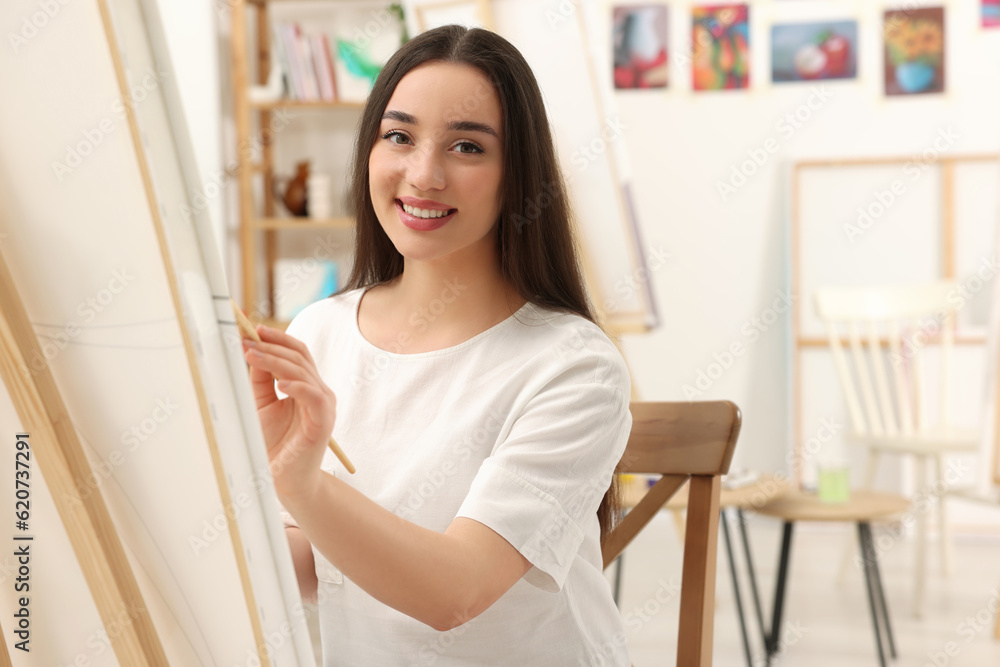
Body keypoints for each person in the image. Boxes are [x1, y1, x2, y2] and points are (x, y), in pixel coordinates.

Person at [242, 24, 633, 666]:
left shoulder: (574, 367)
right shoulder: (320, 332)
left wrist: (303, 482)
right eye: (398, 136)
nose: (423, 174)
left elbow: (457, 592)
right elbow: (317, 559)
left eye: (467, 147)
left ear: (518, 175)